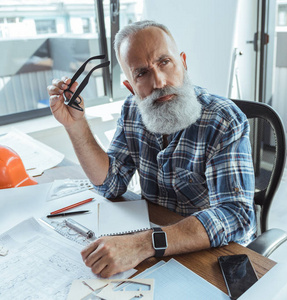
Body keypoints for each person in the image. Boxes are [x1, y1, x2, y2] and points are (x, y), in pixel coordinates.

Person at [46, 20, 256, 278]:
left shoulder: (224, 120)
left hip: (209, 254)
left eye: (164, 62)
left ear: (183, 63)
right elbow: (110, 184)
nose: (159, 81)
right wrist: (76, 126)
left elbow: (236, 216)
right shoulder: (132, 110)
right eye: (142, 73)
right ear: (130, 87)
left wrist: (142, 244)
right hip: (155, 247)